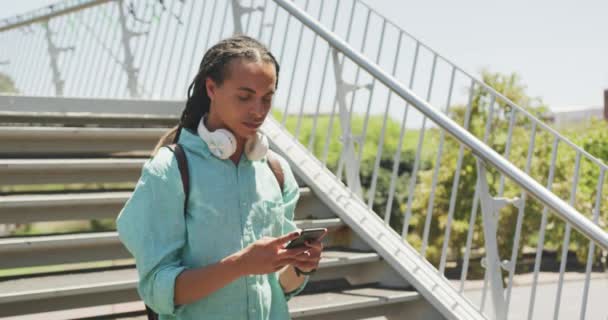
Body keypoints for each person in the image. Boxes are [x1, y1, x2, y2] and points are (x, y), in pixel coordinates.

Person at [116, 35, 326, 319]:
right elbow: (157, 290)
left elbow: (278, 289)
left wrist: (301, 266)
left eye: (267, 99)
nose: (258, 111)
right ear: (212, 88)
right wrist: (241, 265)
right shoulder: (169, 170)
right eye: (244, 97)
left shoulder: (276, 172)